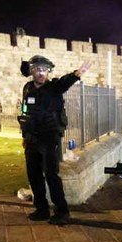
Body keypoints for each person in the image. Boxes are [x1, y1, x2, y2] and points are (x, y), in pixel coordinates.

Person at [19, 55, 90, 225]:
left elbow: (64, 82)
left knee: (51, 175)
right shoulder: (27, 88)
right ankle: (41, 209)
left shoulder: (54, 88)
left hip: (49, 139)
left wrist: (76, 74)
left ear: (48, 71)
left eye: (44, 69)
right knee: (33, 175)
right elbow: (25, 113)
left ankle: (62, 211)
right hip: (31, 140)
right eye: (37, 69)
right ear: (31, 72)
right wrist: (24, 136)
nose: (41, 73)